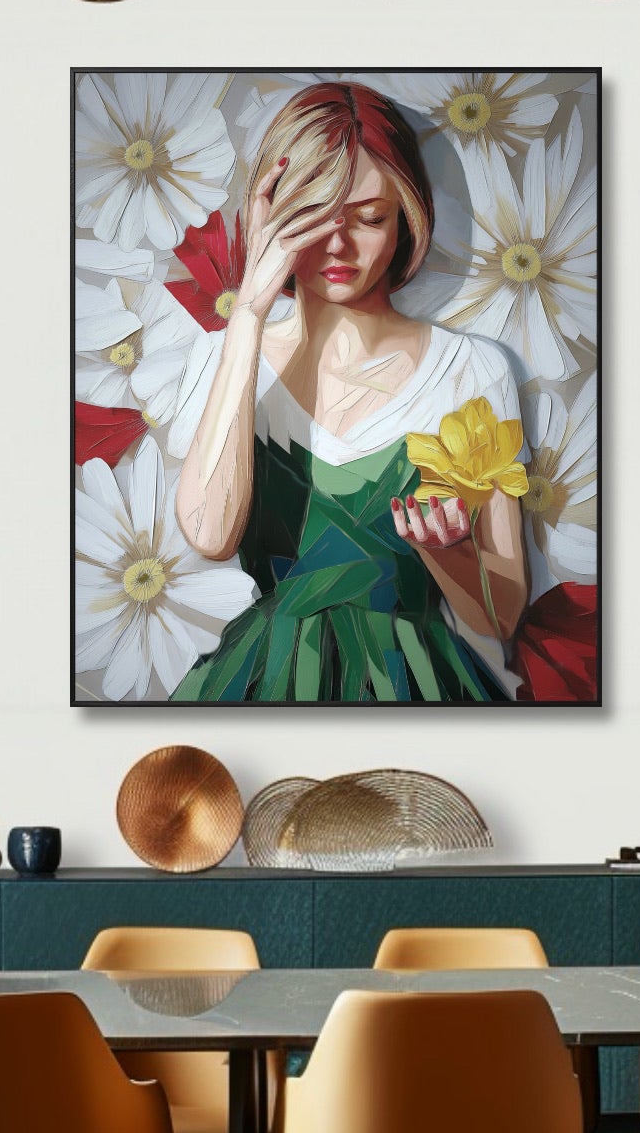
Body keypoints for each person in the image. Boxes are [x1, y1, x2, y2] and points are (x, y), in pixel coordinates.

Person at [171, 82, 528, 703]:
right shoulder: (226, 357)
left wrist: (448, 555)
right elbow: (209, 536)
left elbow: (500, 617)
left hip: (418, 683)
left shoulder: (472, 370)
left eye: (368, 219)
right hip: (260, 681)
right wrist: (249, 316)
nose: (338, 246)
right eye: (312, 219)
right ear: (273, 219)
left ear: (407, 220)